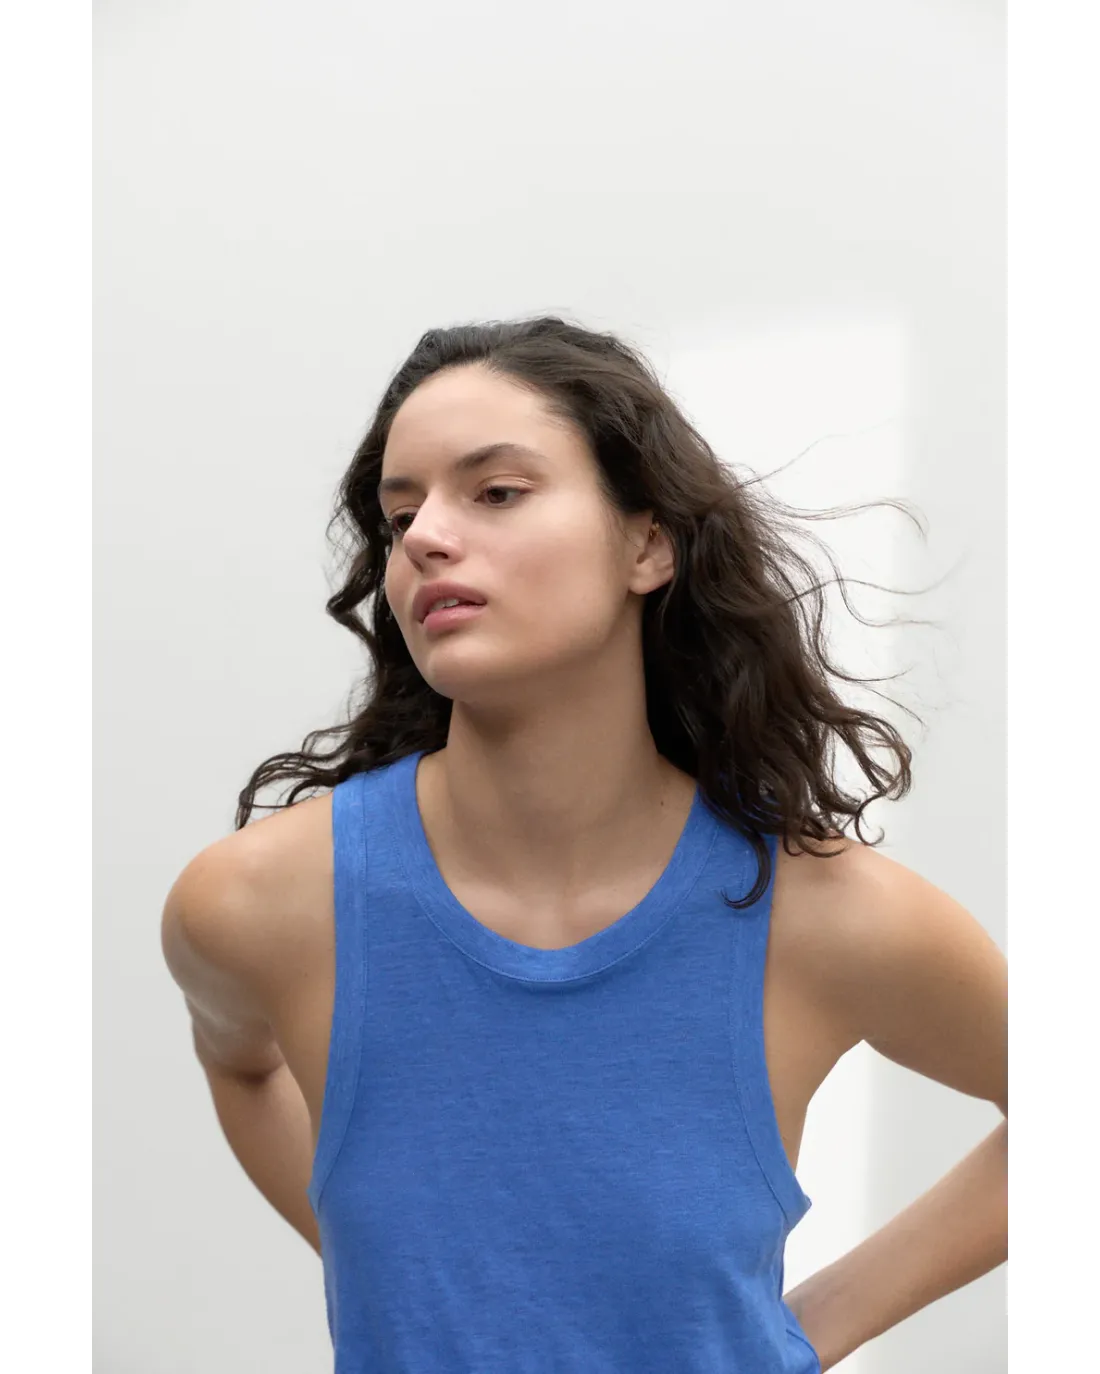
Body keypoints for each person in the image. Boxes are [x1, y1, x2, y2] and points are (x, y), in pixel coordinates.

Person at [161, 316, 1007, 1373]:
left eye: (496, 492)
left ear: (647, 545)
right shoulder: (257, 905)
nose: (423, 537)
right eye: (399, 513)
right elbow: (240, 1068)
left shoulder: (824, 915)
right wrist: (401, 1279)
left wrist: (805, 1328)